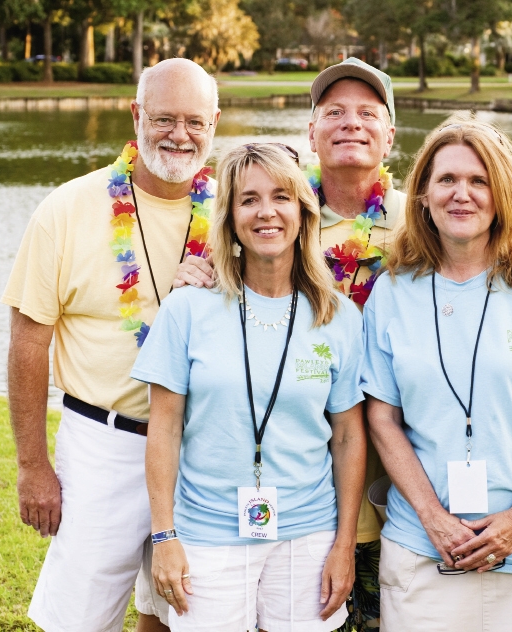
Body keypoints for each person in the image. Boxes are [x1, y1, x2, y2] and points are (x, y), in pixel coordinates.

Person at [173, 57, 403, 631]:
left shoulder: (421, 219)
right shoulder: (279, 209)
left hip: (395, 476)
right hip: (287, 475)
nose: (351, 124)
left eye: (367, 113)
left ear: (390, 133)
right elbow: (225, 280)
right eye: (334, 112)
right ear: (311, 131)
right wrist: (195, 273)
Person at [361, 115, 512, 632]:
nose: (462, 195)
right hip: (426, 548)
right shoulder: (392, 292)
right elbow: (382, 419)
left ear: (501, 194)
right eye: (446, 180)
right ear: (423, 195)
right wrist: (433, 518)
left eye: (479, 181)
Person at [2, 58, 220, 632]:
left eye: (195, 121)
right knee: (81, 615)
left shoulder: (235, 213)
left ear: (215, 123)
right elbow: (29, 341)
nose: (180, 134)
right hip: (106, 444)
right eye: (165, 118)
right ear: (136, 115)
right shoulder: (68, 208)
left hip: (203, 450)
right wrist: (32, 466)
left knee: (178, 609)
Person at [129, 143, 366, 631]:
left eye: (281, 196)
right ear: (230, 216)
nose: (266, 212)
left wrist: (343, 544)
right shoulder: (188, 308)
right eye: (248, 199)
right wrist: (163, 536)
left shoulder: (339, 317)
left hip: (307, 533)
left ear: (302, 211)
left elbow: (347, 436)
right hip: (208, 532)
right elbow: (165, 426)